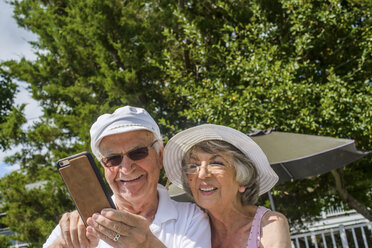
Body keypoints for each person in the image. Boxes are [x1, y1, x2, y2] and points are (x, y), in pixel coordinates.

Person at [43, 106, 211, 248]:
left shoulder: (191, 219)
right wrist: (64, 244)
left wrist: (148, 243)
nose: (126, 168)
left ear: (160, 156)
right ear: (103, 166)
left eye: (138, 153)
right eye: (113, 159)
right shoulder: (78, 226)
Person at [163, 124, 291, 248]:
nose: (202, 174)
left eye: (216, 163)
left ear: (242, 180)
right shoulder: (186, 227)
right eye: (194, 165)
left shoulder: (269, 224)